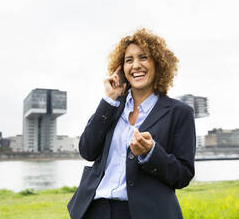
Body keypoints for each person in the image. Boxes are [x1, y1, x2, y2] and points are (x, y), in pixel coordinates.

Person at [67, 29, 196, 219]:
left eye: (143, 57)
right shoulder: (112, 106)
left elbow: (183, 175)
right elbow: (87, 150)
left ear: (158, 64)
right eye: (129, 60)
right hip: (95, 210)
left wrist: (151, 153)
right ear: (121, 68)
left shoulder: (179, 113)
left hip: (143, 213)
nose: (136, 65)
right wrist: (109, 100)